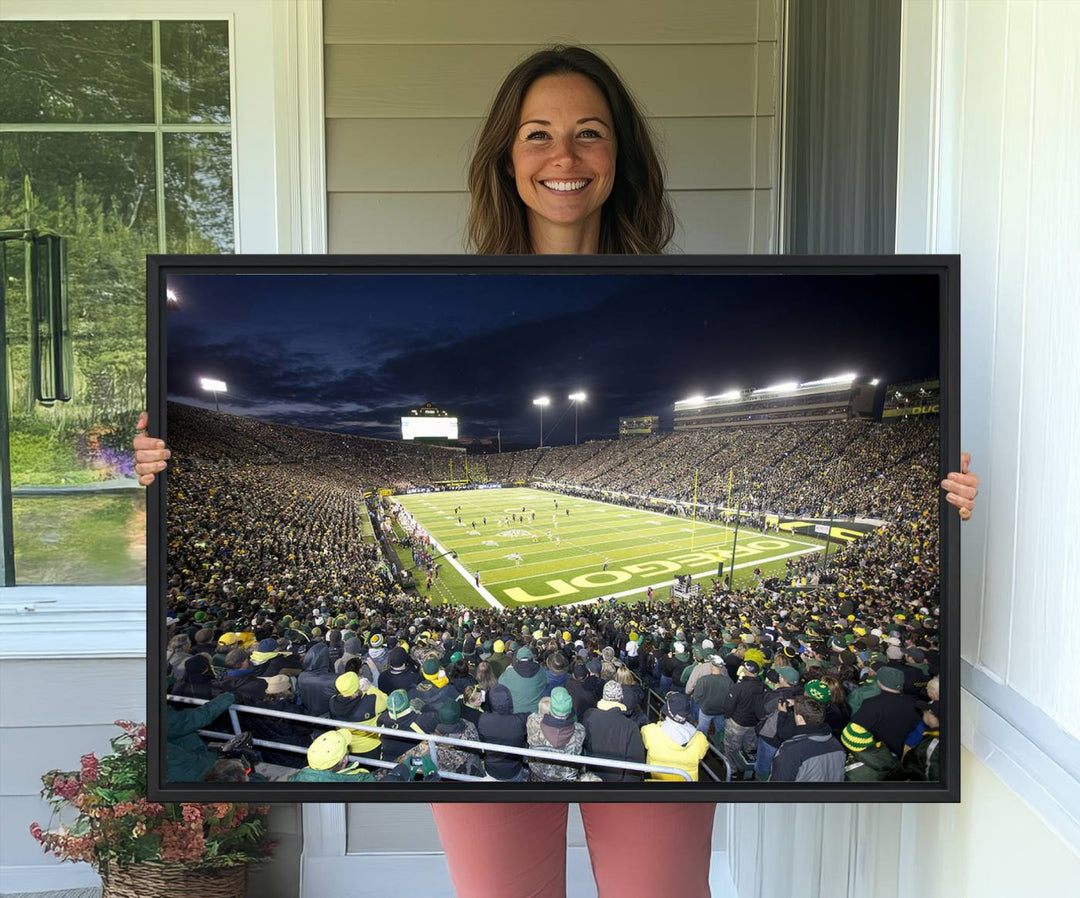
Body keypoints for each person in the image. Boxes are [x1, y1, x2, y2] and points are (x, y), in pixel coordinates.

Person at [135, 42, 980, 898]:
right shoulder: (454, 285)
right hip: (534, 729)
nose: (564, 157)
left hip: (603, 733)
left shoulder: (675, 291)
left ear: (622, 157)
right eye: (537, 134)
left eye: (590, 133)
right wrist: (159, 471)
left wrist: (940, 502)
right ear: (506, 158)